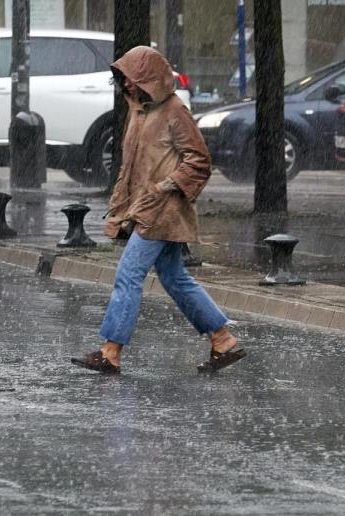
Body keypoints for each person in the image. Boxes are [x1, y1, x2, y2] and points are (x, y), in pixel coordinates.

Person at [71, 46, 245, 375]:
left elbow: (199, 159)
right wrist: (121, 204)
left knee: (128, 275)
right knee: (174, 277)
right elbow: (131, 165)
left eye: (132, 79)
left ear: (149, 78)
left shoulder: (174, 110)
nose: (127, 86)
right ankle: (222, 339)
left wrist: (166, 186)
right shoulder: (139, 112)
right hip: (146, 208)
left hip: (162, 210)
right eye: (123, 79)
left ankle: (111, 352)